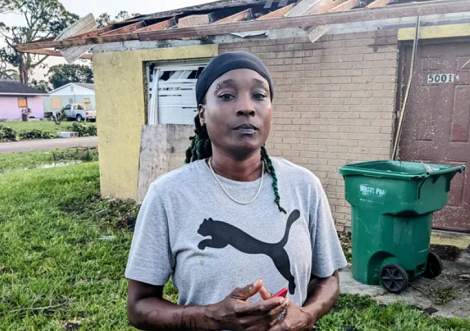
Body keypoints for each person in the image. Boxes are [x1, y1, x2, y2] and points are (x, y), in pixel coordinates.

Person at [125, 52, 347, 331]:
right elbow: (139, 306)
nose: (246, 107)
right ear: (203, 113)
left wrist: (307, 315)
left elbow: (328, 279)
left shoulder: (304, 186)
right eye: (227, 95)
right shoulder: (168, 195)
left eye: (259, 95)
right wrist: (210, 316)